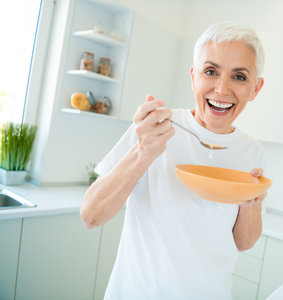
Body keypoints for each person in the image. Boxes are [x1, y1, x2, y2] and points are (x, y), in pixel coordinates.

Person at [80, 21, 266, 300]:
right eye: (210, 71)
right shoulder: (154, 128)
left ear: (255, 89)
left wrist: (250, 205)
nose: (222, 89)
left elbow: (244, 242)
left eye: (239, 77)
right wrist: (143, 153)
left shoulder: (252, 151)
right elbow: (91, 215)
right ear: (193, 77)